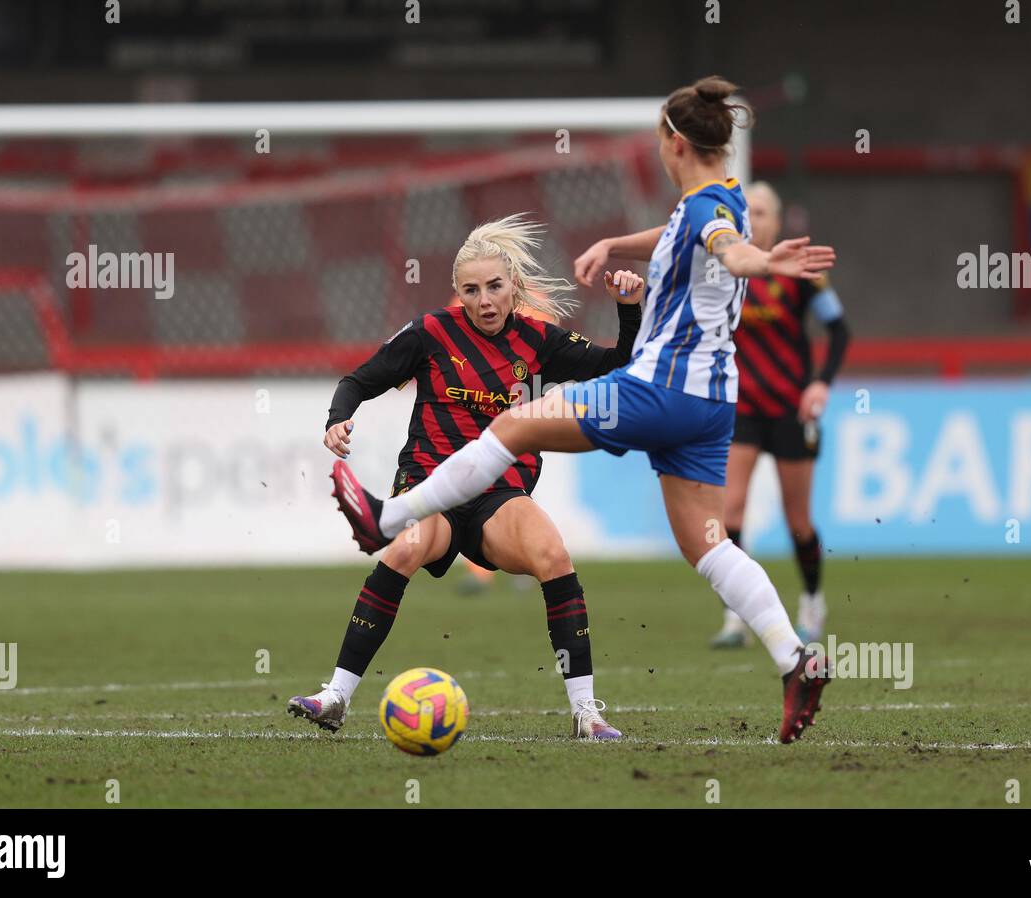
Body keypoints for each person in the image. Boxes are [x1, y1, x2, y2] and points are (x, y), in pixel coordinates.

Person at [329, 76, 837, 744]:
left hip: (660, 386)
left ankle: (385, 517)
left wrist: (759, 262)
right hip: (715, 401)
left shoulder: (713, 215)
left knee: (512, 423)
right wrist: (618, 246)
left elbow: (723, 247)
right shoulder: (728, 195)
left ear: (673, 142)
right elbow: (694, 228)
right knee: (708, 546)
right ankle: (793, 658)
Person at [288, 214, 644, 740]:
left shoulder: (539, 342)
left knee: (554, 556)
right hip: (429, 484)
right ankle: (336, 695)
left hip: (497, 494)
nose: (484, 300)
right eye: (471, 289)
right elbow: (359, 380)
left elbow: (619, 364)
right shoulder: (430, 333)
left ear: (514, 288)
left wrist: (628, 308)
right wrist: (337, 417)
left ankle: (586, 712)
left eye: (495, 287)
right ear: (457, 293)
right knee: (404, 549)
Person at [710, 182, 851, 649]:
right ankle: (735, 616)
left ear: (777, 218)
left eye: (764, 210)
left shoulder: (802, 270)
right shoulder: (726, 269)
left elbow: (839, 330)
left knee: (798, 522)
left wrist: (820, 383)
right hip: (743, 409)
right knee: (729, 513)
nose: (756, 217)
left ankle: (811, 601)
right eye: (748, 210)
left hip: (791, 409)